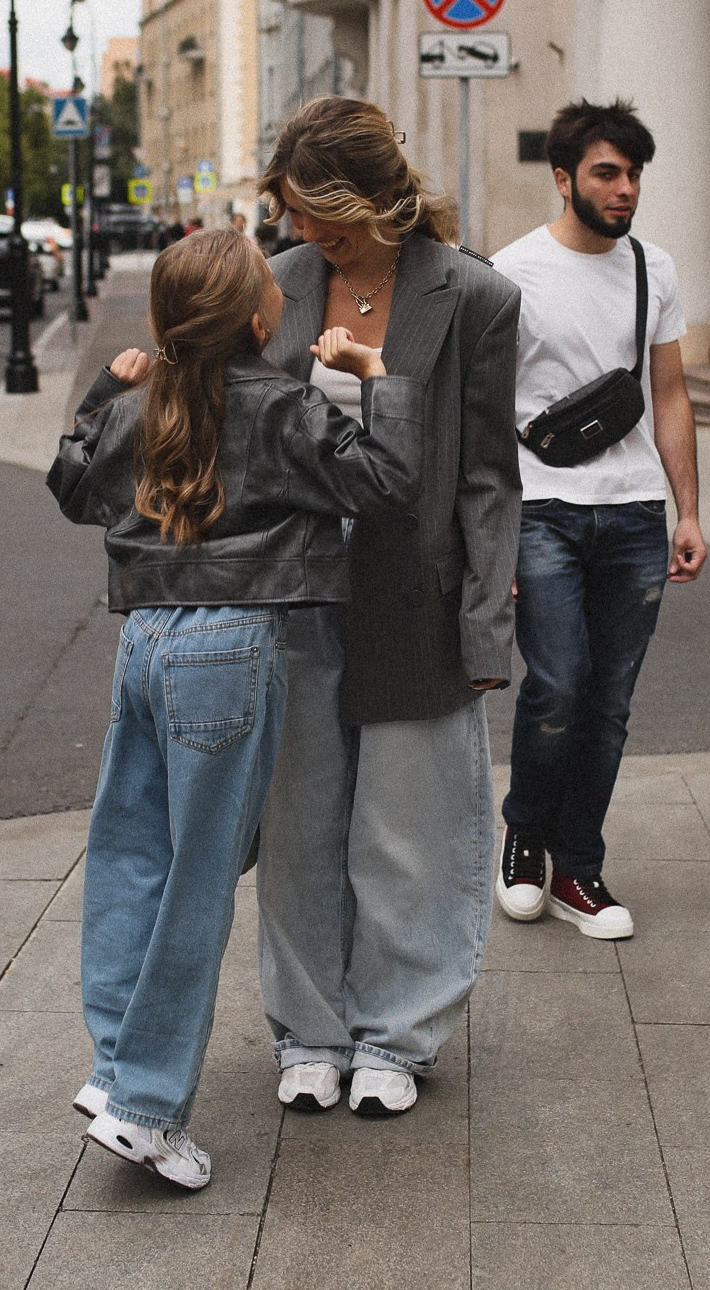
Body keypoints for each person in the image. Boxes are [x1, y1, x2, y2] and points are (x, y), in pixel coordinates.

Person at [49, 228, 424, 1190]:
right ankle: (145, 1108)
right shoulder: (287, 406)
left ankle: (113, 1071)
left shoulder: (139, 403)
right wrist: (382, 377)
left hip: (142, 643)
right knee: (199, 885)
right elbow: (386, 487)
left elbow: (73, 488)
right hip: (229, 647)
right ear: (263, 320)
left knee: (135, 858)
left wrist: (103, 391)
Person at [255, 96, 521, 1118]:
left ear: (374, 195)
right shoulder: (275, 287)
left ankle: (398, 1036)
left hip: (418, 590)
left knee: (409, 828)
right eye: (294, 216)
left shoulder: (475, 296)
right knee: (301, 824)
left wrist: (487, 621)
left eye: (321, 214)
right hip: (297, 593)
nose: (305, 235)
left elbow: (491, 473)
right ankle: (309, 1030)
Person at [491, 100, 706, 939]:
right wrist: (495, 528)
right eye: (607, 174)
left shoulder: (655, 268)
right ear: (564, 178)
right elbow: (485, 411)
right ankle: (523, 836)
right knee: (558, 685)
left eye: (634, 175)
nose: (624, 191)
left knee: (610, 701)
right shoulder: (512, 273)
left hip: (633, 514)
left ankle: (579, 866)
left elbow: (672, 392)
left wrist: (689, 508)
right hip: (542, 505)